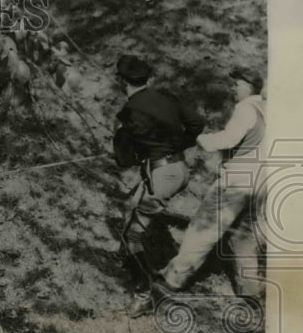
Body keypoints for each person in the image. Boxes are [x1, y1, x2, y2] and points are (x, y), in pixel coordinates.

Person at [155, 66, 266, 298]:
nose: (232, 89)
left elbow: (227, 139)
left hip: (237, 180)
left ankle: (174, 278)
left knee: (204, 228)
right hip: (262, 183)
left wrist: (200, 138)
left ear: (249, 86)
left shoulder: (246, 107)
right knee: (243, 237)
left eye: (236, 84)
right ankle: (251, 290)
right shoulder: (266, 109)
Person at [113, 55, 205, 316]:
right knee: (131, 203)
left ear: (122, 81)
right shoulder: (166, 97)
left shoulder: (128, 113)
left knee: (133, 236)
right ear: (146, 78)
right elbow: (197, 123)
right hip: (179, 169)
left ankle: (144, 295)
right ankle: (129, 260)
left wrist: (138, 147)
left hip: (162, 175)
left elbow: (122, 159)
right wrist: (177, 144)